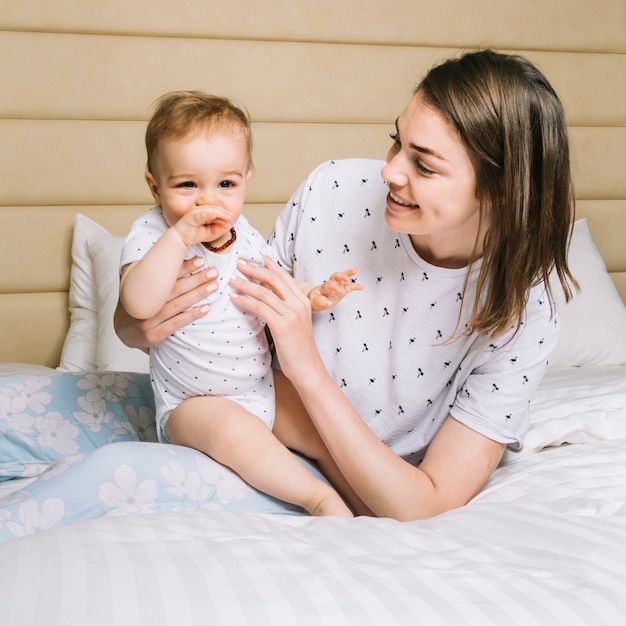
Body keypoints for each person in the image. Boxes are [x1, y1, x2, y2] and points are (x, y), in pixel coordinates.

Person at [115, 51, 577, 520]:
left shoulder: (525, 311)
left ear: (500, 188)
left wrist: (307, 366)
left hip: (382, 483)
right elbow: (231, 307)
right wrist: (131, 324)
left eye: (425, 166)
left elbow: (426, 505)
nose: (390, 171)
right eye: (397, 142)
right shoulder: (332, 190)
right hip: (252, 422)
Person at [119, 90, 360, 517]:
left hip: (259, 385)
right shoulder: (151, 234)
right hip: (193, 403)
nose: (207, 201)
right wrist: (177, 238)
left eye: (225, 184)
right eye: (188, 185)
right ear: (155, 187)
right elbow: (137, 302)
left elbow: (269, 279)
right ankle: (317, 499)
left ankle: (364, 502)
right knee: (234, 432)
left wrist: (311, 293)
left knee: (327, 431)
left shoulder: (243, 232)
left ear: (246, 179)